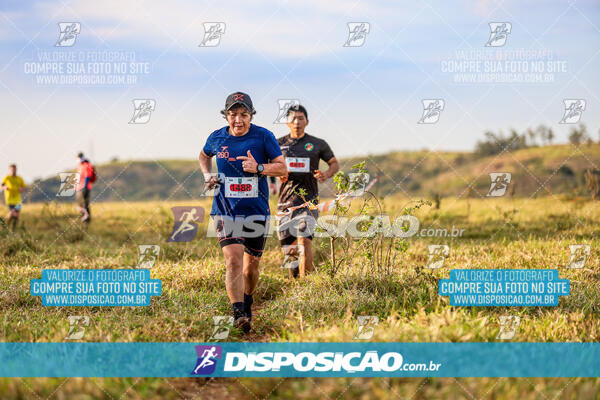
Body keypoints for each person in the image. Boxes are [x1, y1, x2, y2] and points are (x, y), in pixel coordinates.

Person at [199, 92, 286, 333]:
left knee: (251, 267)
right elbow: (204, 155)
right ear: (226, 115)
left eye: (244, 114)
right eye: (233, 114)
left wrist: (258, 167)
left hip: (256, 211)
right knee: (233, 260)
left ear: (251, 115)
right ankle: (238, 313)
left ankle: (248, 299)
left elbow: (281, 168)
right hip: (225, 210)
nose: (238, 119)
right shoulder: (216, 137)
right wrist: (208, 175)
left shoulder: (263, 136)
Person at [274, 104, 339, 278]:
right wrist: (276, 175)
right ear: (287, 122)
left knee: (304, 238)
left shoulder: (317, 144)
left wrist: (326, 174)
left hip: (308, 201)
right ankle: (294, 282)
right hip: (285, 202)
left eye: (300, 118)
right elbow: (268, 166)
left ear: (307, 121)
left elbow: (334, 163)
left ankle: (306, 285)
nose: (297, 122)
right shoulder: (277, 144)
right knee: (291, 249)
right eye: (293, 118)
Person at [1, 164, 27, 230]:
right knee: (12, 213)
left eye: (14, 169)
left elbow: (25, 188)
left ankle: (13, 230)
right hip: (9, 200)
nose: (13, 171)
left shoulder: (19, 178)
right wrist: (4, 187)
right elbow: (1, 186)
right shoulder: (7, 178)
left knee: (16, 216)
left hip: (17, 200)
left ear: (16, 169)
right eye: (12, 169)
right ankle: (5, 226)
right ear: (10, 170)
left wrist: (22, 189)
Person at [75, 152, 95, 223]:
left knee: (85, 204)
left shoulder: (87, 165)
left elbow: (87, 176)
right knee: (80, 204)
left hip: (84, 188)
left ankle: (87, 220)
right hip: (79, 188)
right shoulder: (79, 166)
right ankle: (83, 218)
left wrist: (85, 187)